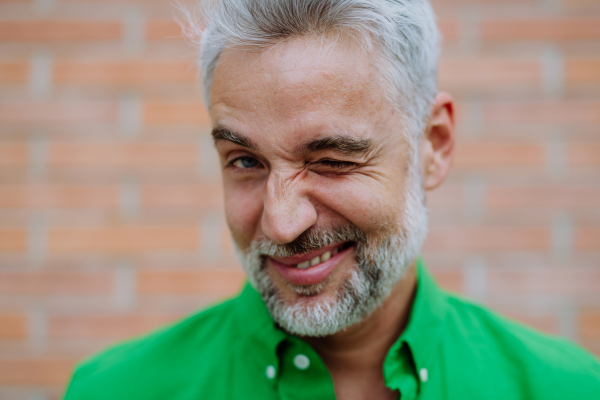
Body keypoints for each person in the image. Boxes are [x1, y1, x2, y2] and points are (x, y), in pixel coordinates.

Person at [63, 0, 600, 399]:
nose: (280, 221)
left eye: (332, 161)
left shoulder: (568, 388)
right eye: (245, 161)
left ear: (433, 145)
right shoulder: (113, 389)